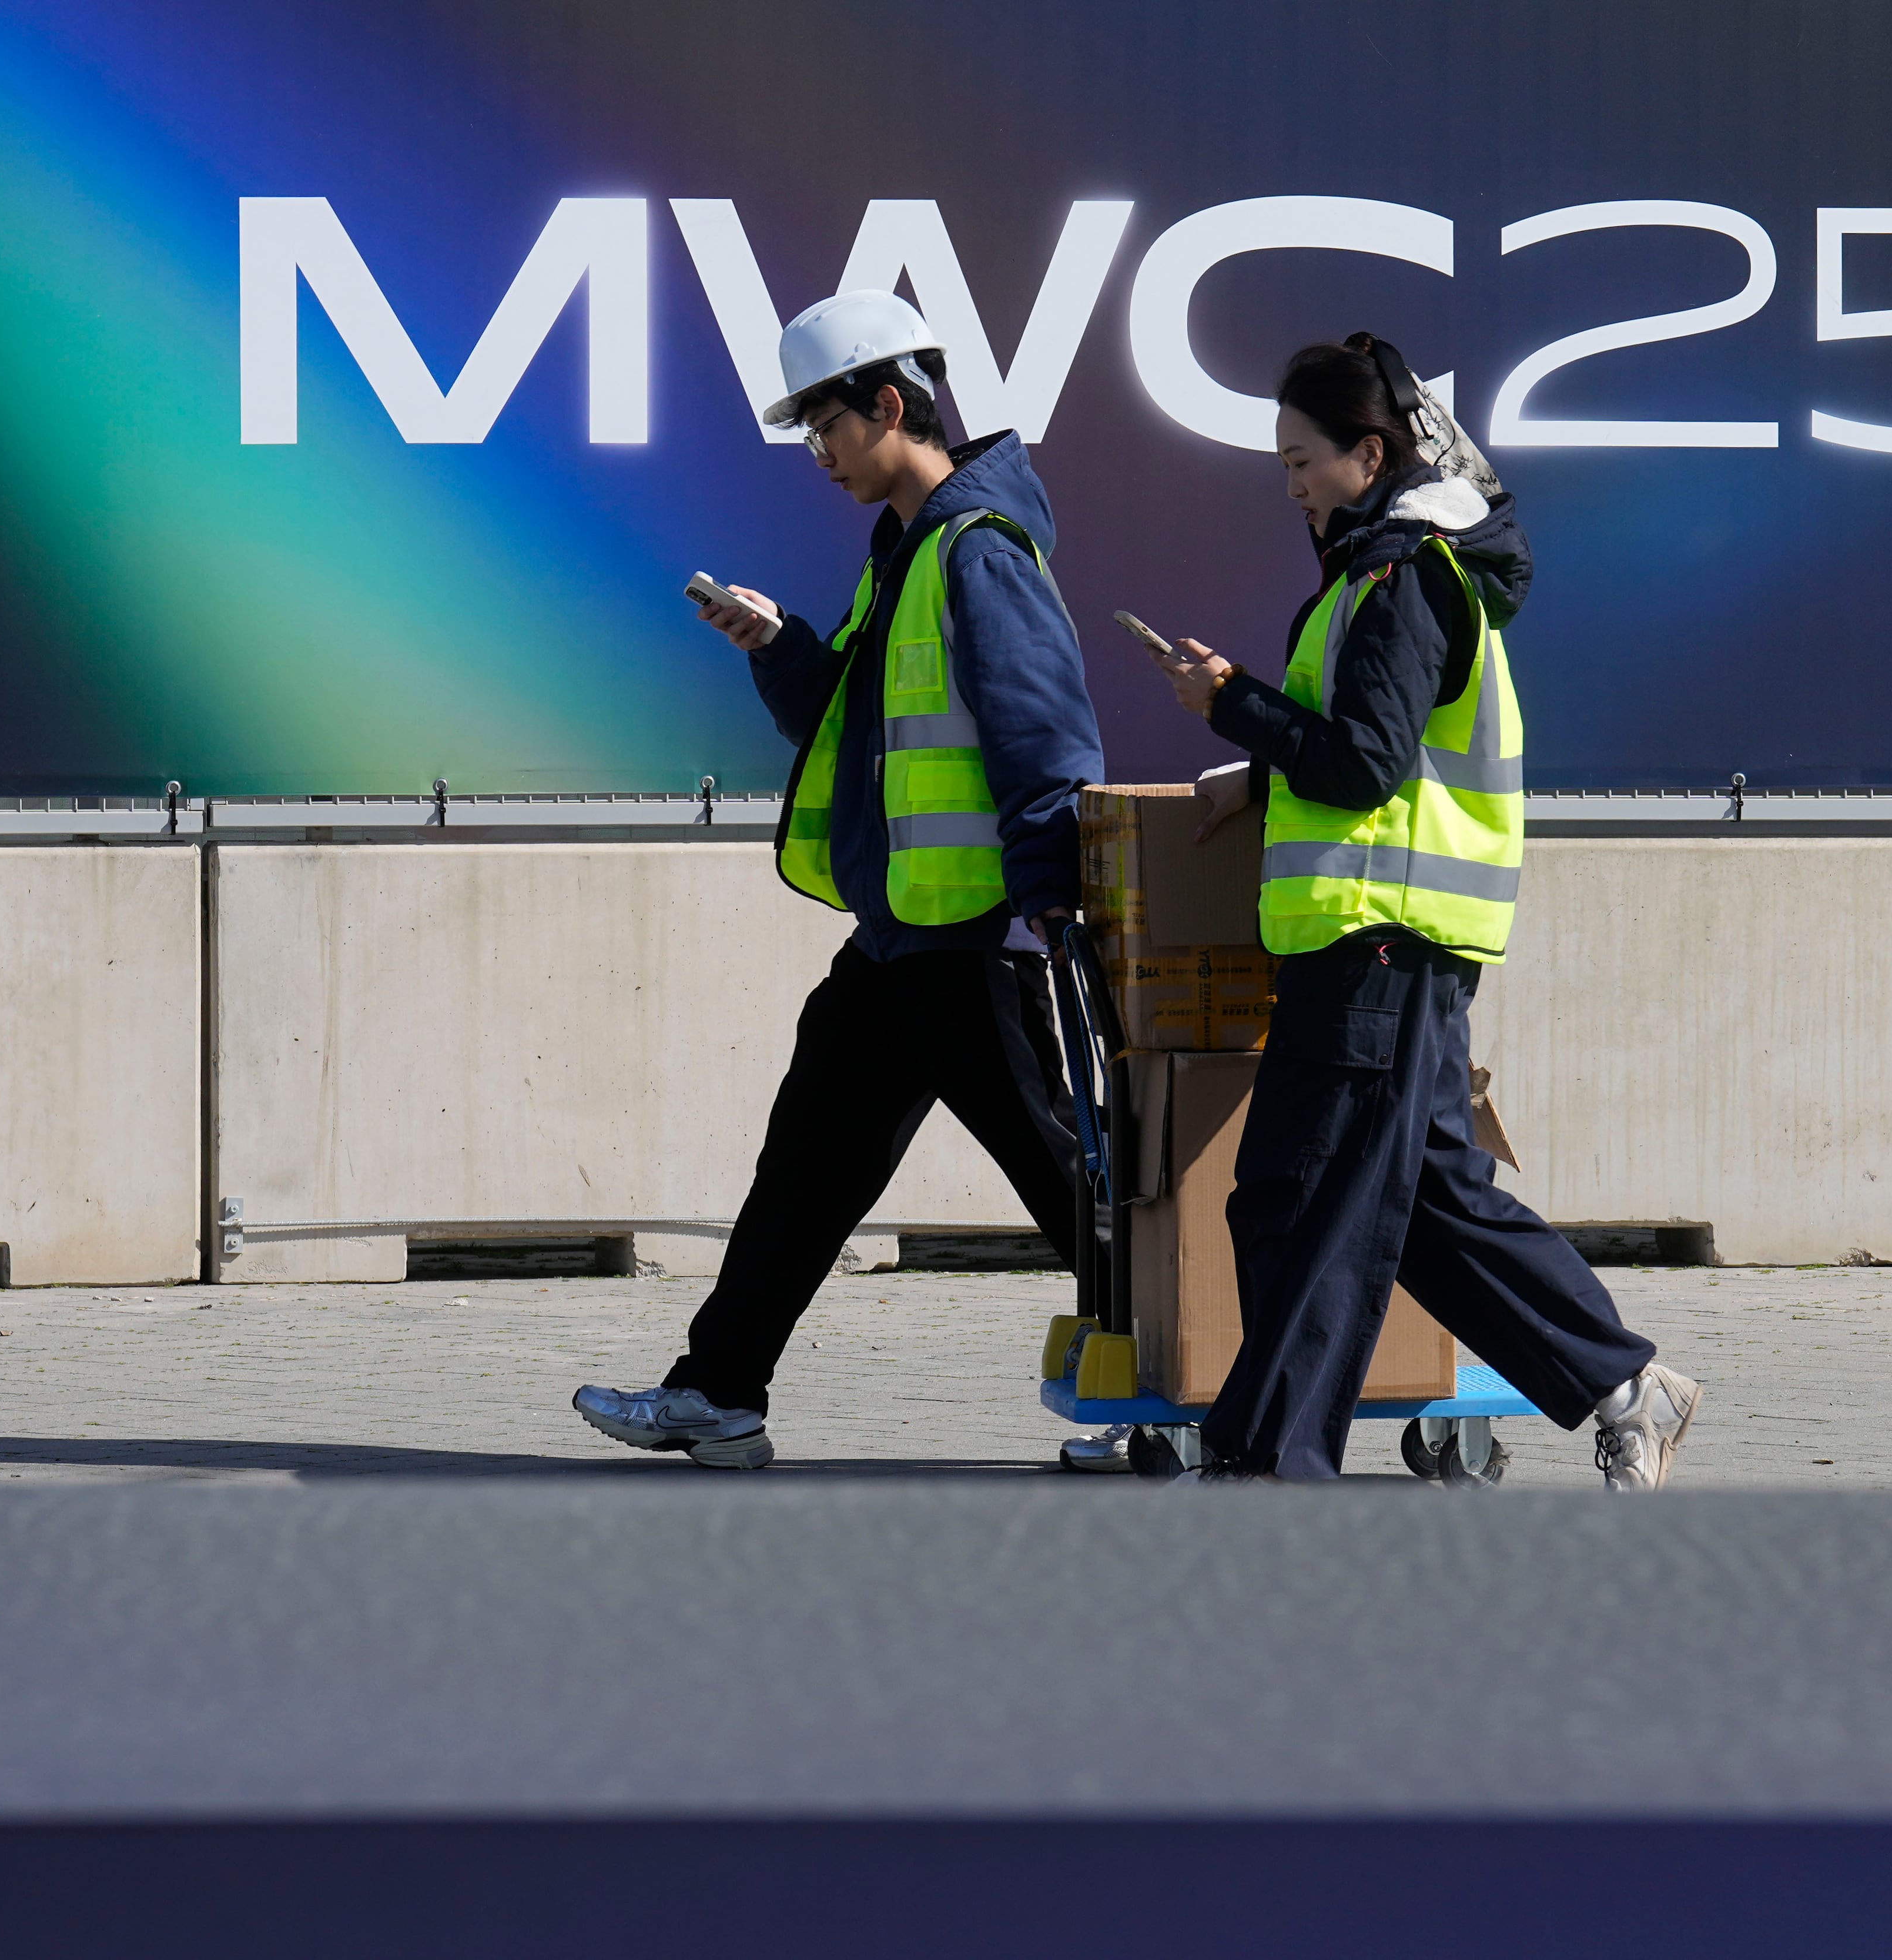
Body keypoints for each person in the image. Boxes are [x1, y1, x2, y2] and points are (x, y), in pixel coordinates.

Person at [1137, 333, 1703, 1487]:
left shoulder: (1401, 580)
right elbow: (1371, 756)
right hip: (1375, 939)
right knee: (1408, 1200)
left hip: (1382, 941)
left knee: (1311, 1206)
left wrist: (1233, 706)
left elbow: (1363, 765)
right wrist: (1255, 766)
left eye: (1303, 459)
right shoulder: (1375, 577)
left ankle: (1267, 1461)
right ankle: (1624, 1384)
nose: (1289, 482)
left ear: (1370, 451)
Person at [573, 291, 1103, 1468]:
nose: (817, 452)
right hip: (898, 941)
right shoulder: (903, 559)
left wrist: (1049, 898)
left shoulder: (977, 553)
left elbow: (1047, 733)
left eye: (824, 424)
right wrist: (780, 649)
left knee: (1067, 1175)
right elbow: (854, 726)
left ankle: (1188, 1377)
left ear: (891, 404)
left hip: (976, 936)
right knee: (806, 1166)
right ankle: (719, 1391)